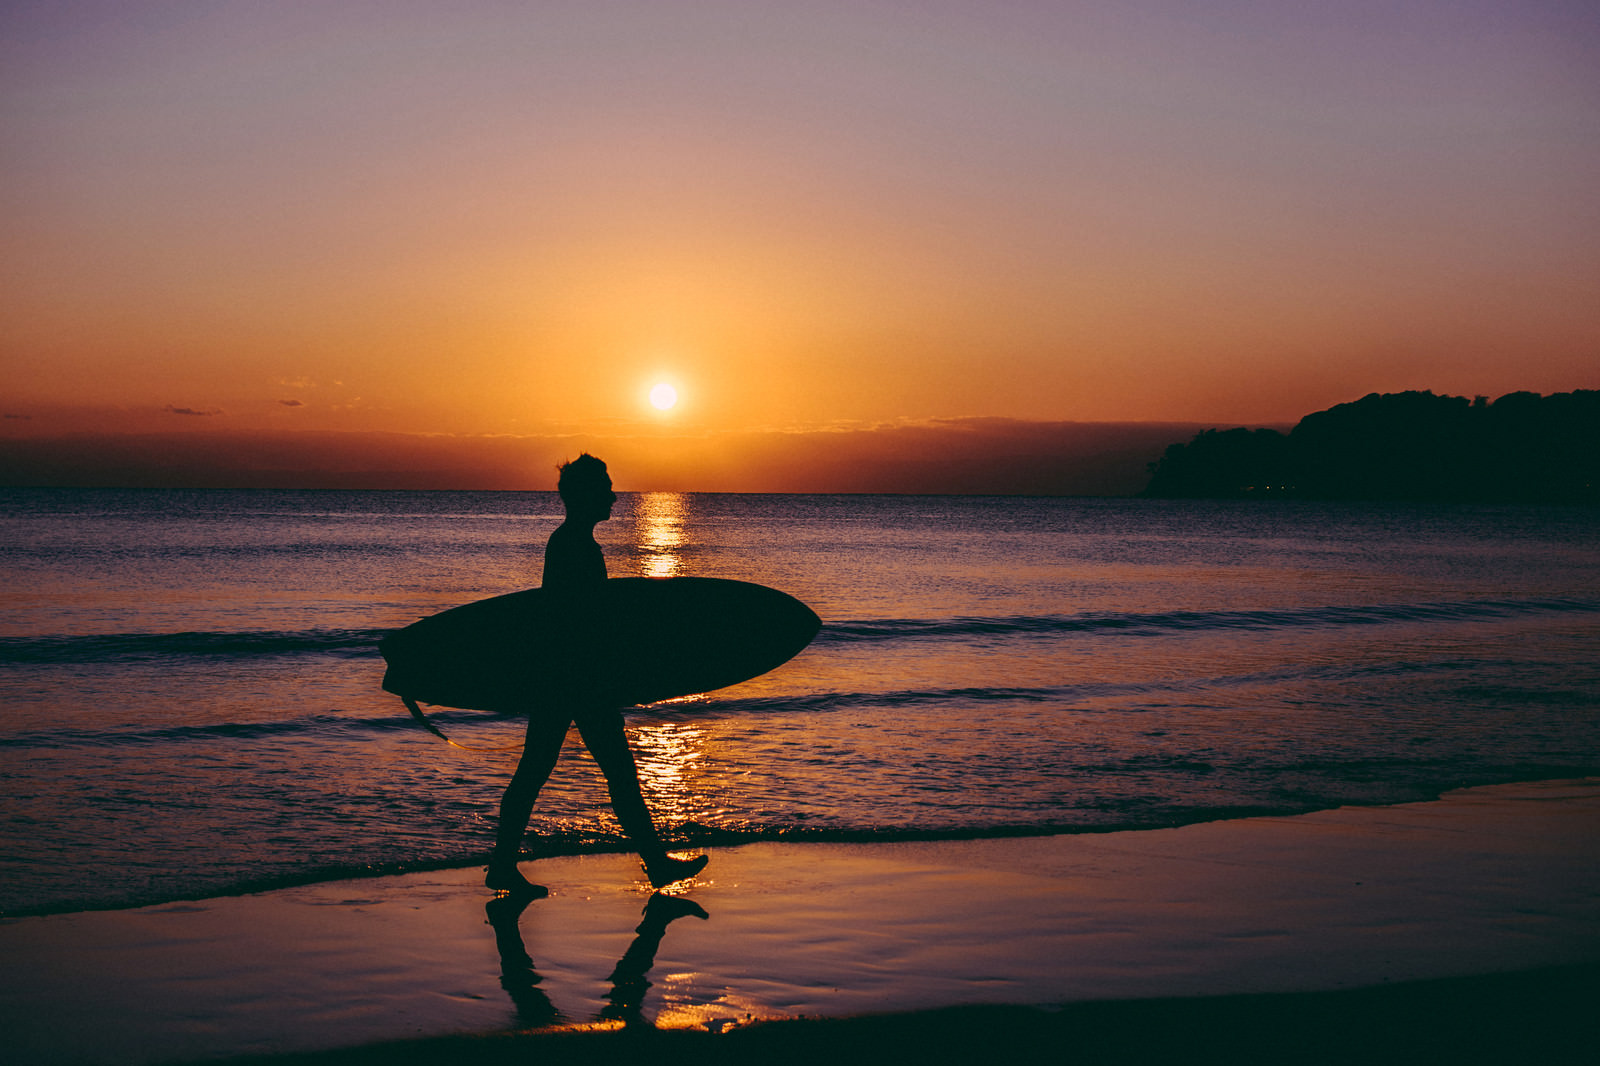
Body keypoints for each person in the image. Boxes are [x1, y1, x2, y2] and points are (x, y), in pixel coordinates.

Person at [485, 453, 709, 896]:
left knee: (549, 772)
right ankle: (653, 864)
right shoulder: (574, 546)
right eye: (605, 487)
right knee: (589, 773)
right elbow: (580, 621)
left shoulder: (572, 541)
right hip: (575, 681)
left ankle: (504, 867)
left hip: (565, 679)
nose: (612, 494)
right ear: (585, 495)